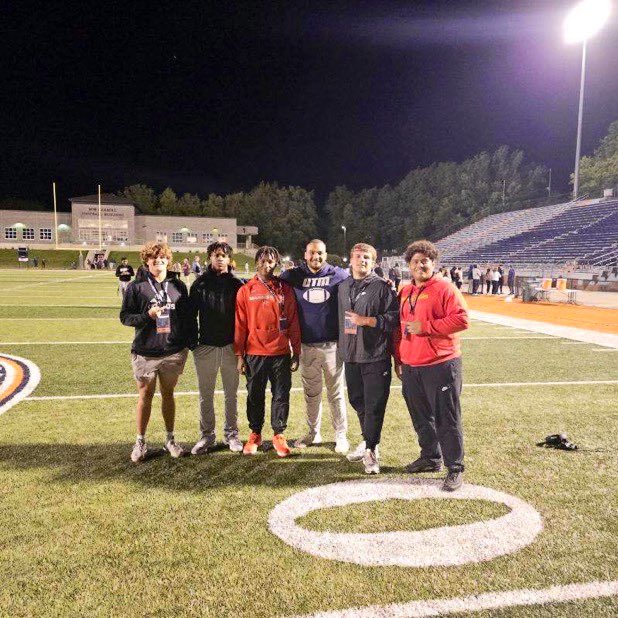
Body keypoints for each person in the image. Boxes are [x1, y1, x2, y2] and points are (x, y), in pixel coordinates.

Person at [393, 239, 469, 492]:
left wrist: (427, 328)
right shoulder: (405, 291)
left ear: (433, 264)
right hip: (412, 365)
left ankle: (455, 467)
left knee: (447, 418)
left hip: (441, 364)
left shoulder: (445, 288)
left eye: (425, 261)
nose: (420, 265)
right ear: (409, 265)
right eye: (415, 261)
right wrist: (401, 358)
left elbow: (462, 320)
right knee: (421, 416)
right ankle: (430, 457)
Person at [120, 241, 191, 463]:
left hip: (172, 351)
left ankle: (170, 439)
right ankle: (140, 440)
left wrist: (187, 342)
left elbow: (186, 317)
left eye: (162, 258)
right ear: (147, 261)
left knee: (169, 394)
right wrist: (146, 316)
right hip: (146, 351)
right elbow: (125, 317)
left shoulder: (178, 286)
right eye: (154, 258)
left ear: (168, 260)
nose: (158, 261)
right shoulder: (135, 287)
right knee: (145, 395)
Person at [280, 239, 350, 453]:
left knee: (335, 393)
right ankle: (314, 432)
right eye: (311, 253)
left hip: (332, 346)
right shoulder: (294, 275)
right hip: (307, 346)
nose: (315, 257)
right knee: (311, 394)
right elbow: (275, 281)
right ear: (305, 254)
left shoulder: (339, 275)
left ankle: (341, 434)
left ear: (326, 254)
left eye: (319, 253)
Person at [234, 246, 301, 457]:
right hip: (255, 353)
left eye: (271, 261)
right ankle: (255, 433)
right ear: (256, 262)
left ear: (276, 263)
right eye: (263, 261)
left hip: (280, 352)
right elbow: (240, 325)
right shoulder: (246, 290)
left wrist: (296, 352)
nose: (267, 265)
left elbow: (292, 321)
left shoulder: (285, 289)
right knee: (255, 395)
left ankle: (279, 434)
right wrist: (239, 355)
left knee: (281, 395)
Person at [338, 243, 399, 474]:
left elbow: (394, 319)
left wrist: (368, 321)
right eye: (358, 256)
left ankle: (372, 449)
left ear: (373, 262)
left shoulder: (382, 287)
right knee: (358, 401)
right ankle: (367, 440)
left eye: (367, 257)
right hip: (351, 354)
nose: (362, 260)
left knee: (374, 405)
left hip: (375, 355)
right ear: (350, 259)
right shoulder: (343, 286)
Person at [188, 242, 244, 454]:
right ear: (210, 258)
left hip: (231, 346)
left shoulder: (237, 285)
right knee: (206, 394)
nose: (220, 258)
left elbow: (244, 319)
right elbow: (189, 316)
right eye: (216, 255)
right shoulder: (200, 284)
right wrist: (194, 343)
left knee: (231, 394)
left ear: (229, 259)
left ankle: (232, 434)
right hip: (206, 347)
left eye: (223, 255)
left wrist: (241, 348)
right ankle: (207, 435)